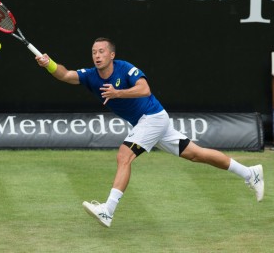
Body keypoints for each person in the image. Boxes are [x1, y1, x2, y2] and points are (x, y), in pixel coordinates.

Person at [36, 37, 264, 228]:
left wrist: (118, 93)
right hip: (151, 123)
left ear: (111, 55)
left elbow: (145, 89)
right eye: (94, 52)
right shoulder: (90, 75)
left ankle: (108, 210)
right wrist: (49, 64)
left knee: (124, 155)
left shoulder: (125, 68)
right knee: (197, 154)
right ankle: (249, 173)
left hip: (152, 118)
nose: (97, 55)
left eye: (102, 51)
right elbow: (65, 75)